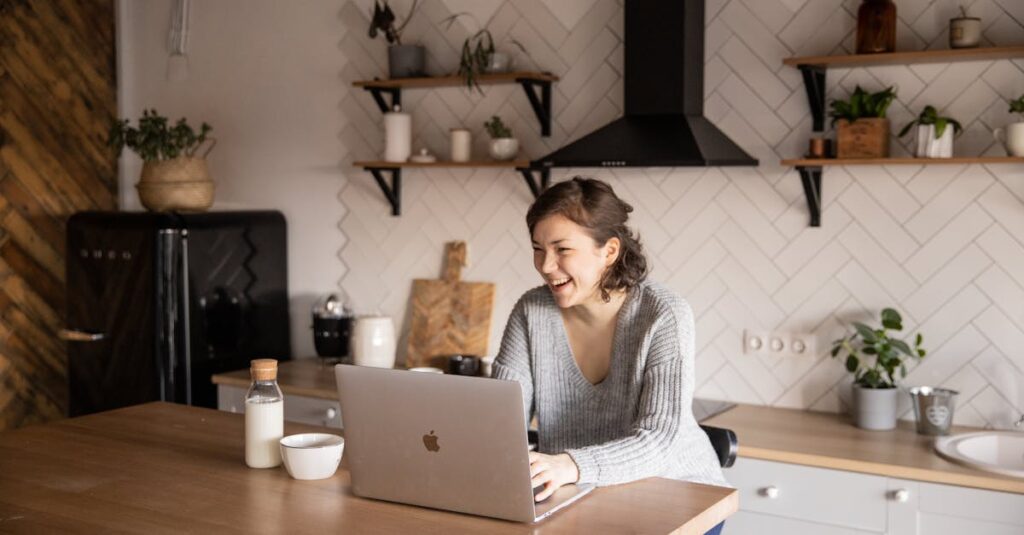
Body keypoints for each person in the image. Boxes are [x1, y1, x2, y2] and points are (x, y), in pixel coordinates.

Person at [492, 177, 728, 534]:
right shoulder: (531, 311)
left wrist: (570, 465)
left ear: (610, 251)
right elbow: (501, 423)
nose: (545, 265)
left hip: (680, 496)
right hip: (577, 495)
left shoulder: (663, 315)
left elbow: (658, 442)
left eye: (562, 249)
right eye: (538, 248)